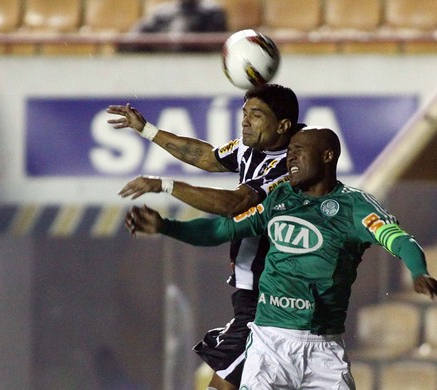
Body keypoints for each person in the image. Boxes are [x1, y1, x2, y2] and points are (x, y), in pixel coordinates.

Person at [124, 126, 437, 389]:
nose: (290, 158)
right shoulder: (279, 198)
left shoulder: (355, 207)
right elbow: (219, 231)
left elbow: (400, 240)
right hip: (270, 343)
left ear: (327, 156)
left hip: (324, 349)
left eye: (298, 152)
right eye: (289, 151)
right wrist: (167, 226)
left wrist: (418, 272)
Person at [107, 84, 304, 390]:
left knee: (222, 384)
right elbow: (205, 156)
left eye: (256, 114)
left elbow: (233, 204)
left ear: (283, 125)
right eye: (244, 113)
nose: (246, 121)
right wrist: (145, 129)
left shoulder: (288, 168)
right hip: (252, 296)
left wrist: (165, 186)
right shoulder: (250, 149)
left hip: (270, 298)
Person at [120, 0, 227, 52]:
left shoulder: (212, 13)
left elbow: (215, 48)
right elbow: (132, 41)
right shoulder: (160, 14)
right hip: (161, 69)